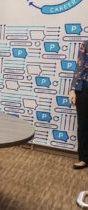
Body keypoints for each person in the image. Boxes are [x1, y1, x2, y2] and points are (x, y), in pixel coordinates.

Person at [69, 41, 88, 170]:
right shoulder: (86, 44)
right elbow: (79, 66)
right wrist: (72, 89)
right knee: (83, 125)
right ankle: (84, 159)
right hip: (85, 89)